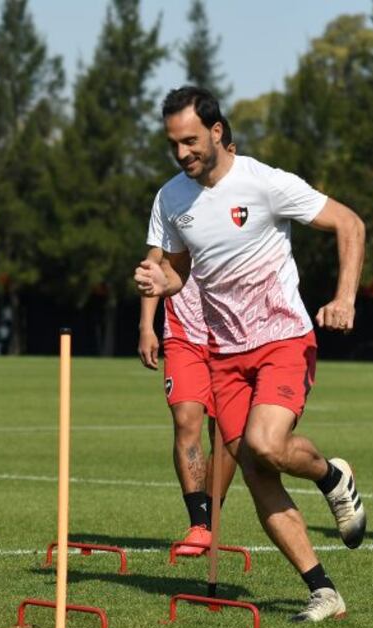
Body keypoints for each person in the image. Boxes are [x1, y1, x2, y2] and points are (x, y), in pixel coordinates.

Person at [134, 86, 367, 623]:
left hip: (282, 339)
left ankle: (332, 477)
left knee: (265, 444)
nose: (182, 153)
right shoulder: (172, 198)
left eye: (190, 141)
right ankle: (323, 591)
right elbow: (180, 273)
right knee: (260, 473)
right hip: (224, 354)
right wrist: (158, 279)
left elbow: (350, 224)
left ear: (217, 132)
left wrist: (345, 295)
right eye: (174, 144)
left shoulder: (265, 183)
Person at [138, 117, 237, 557]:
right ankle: (199, 524)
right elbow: (155, 261)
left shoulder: (244, 195)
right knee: (186, 421)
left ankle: (212, 512)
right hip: (183, 330)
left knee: (232, 437)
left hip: (235, 332)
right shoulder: (171, 196)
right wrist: (147, 323)